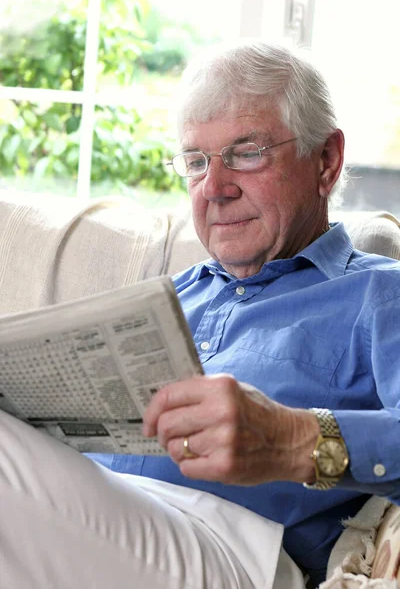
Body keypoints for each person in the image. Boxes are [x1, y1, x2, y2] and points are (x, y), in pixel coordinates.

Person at [1, 41, 400, 589]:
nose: (214, 188)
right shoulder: (166, 297)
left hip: (235, 552)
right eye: (196, 162)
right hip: (79, 522)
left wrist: (292, 438)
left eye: (246, 152)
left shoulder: (381, 293)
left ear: (326, 161)